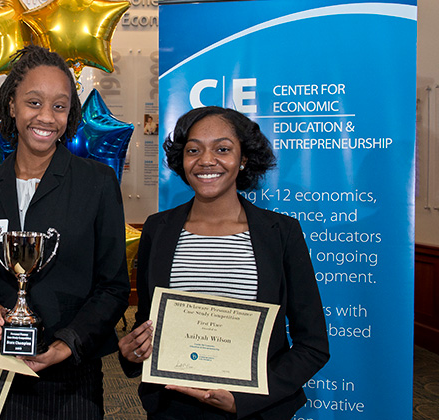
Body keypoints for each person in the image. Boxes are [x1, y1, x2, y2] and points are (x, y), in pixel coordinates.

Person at [0, 45, 130, 420]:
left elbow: (113, 287)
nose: (46, 117)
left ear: (70, 114)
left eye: (59, 106)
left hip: (71, 380)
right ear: (11, 106)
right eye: (33, 102)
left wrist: (66, 344)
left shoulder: (96, 183)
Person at [118, 106, 329, 419]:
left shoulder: (281, 233)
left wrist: (242, 401)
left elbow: (312, 344)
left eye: (222, 149)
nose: (206, 160)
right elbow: (148, 320)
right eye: (194, 150)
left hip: (255, 410)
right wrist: (133, 352)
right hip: (173, 409)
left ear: (243, 159)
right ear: (182, 160)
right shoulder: (157, 230)